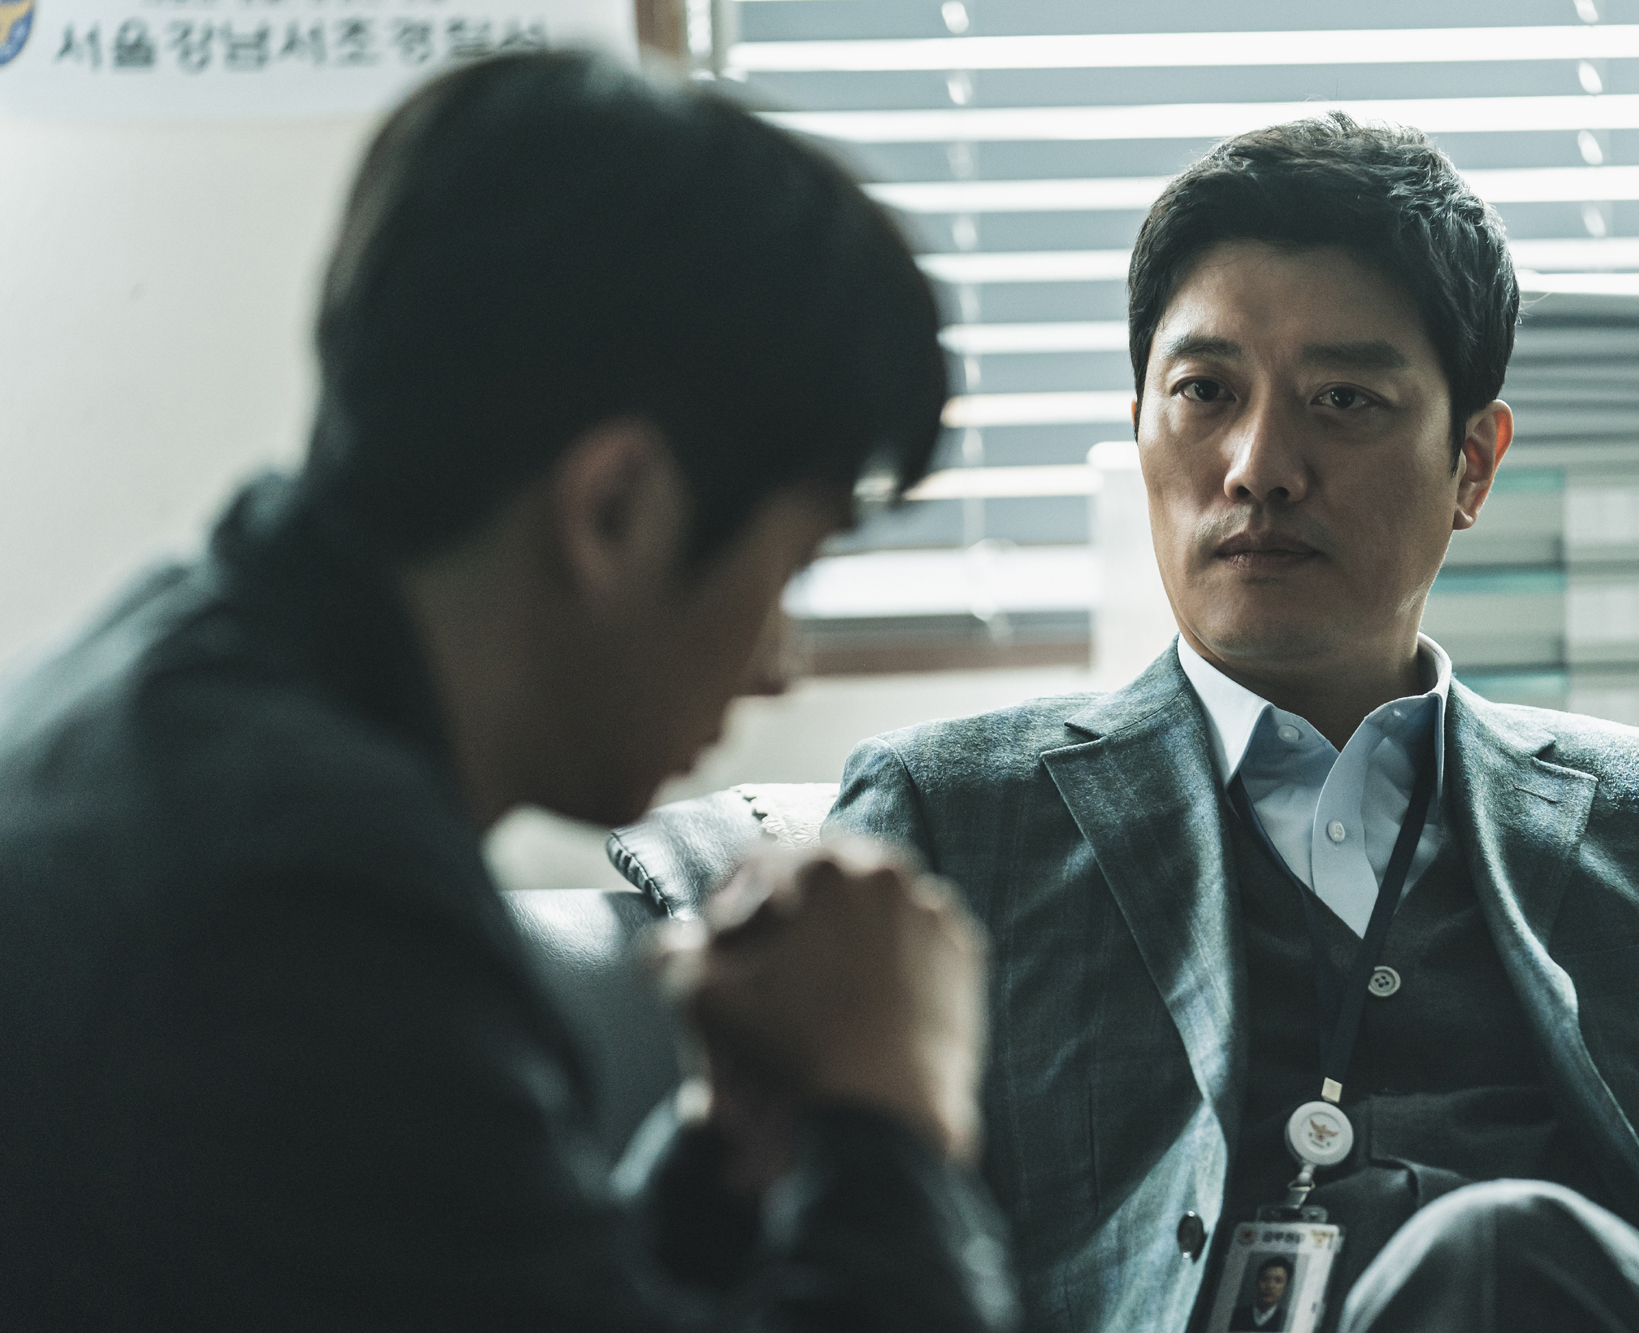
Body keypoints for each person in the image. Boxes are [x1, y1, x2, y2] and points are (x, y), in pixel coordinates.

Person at [830, 114, 1639, 1332]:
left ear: (1471, 466)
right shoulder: (953, 826)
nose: (1257, 465)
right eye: (1204, 393)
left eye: (1342, 399)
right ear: (1138, 427)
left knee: (1497, 1255)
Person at [0, 52, 1015, 1332]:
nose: (778, 664)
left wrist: (724, 1158)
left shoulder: (178, 693)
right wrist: (891, 1113)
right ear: (616, 511)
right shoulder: (296, 896)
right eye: (790, 569)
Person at [1229, 1256, 1292, 1330]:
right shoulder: (1235, 1316)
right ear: (1257, 1282)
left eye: (1278, 1281)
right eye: (1265, 1279)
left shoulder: (1289, 1321)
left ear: (1285, 1286)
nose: (1270, 1286)